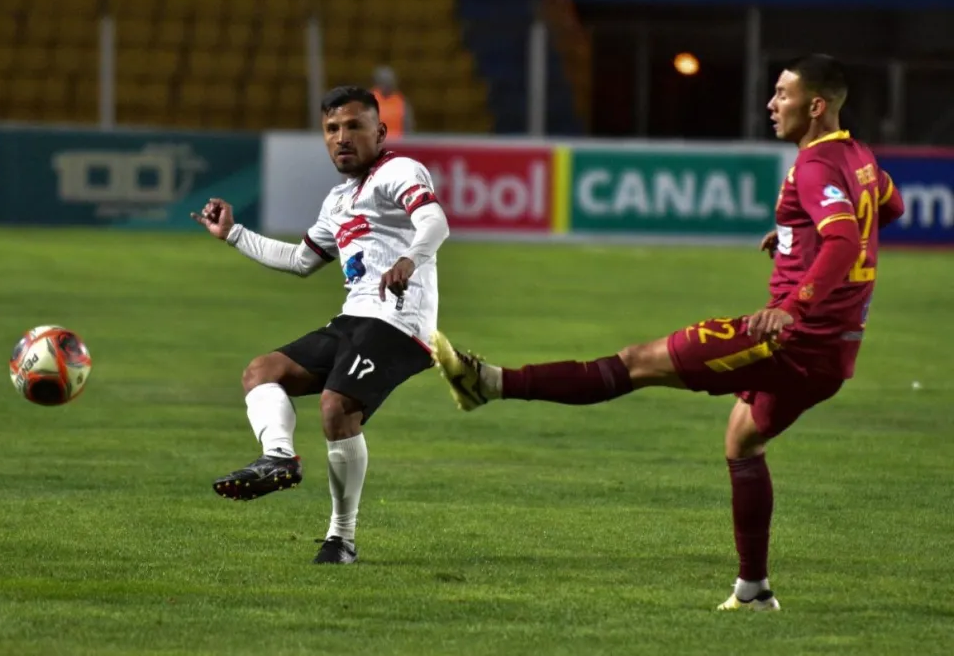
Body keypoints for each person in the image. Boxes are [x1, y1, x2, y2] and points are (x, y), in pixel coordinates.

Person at [430, 54, 905, 609]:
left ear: (816, 105)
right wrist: (794, 240)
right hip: (836, 353)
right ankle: (752, 591)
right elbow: (886, 209)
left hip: (793, 339)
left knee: (635, 362)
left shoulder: (815, 166)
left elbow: (845, 241)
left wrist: (795, 304)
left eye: (783, 94)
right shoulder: (859, 155)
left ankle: (488, 383)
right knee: (742, 440)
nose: (772, 104)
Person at [191, 86, 449, 564]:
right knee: (261, 371)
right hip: (354, 318)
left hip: (400, 321)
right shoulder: (338, 200)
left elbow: (435, 221)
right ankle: (280, 458)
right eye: (332, 129)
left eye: (354, 126)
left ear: (380, 131)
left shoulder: (398, 171)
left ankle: (341, 539)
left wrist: (410, 259)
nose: (342, 137)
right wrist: (233, 233)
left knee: (336, 406)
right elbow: (301, 260)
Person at [371, 66, 414, 139]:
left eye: (389, 82)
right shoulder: (369, 99)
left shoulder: (401, 101)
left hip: (398, 144)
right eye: (384, 82)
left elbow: (408, 126)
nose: (387, 85)